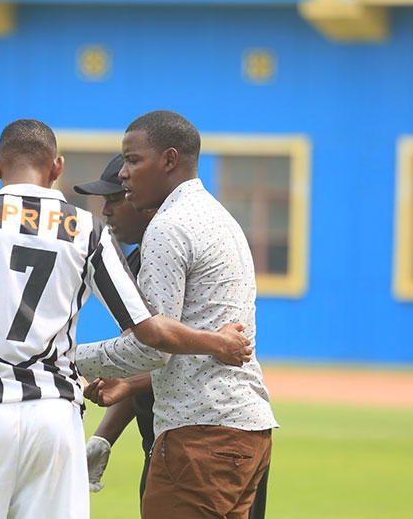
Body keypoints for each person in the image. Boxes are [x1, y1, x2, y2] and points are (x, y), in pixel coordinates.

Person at [0, 118, 254, 519]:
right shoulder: (89, 229)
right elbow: (150, 330)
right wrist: (218, 342)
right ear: (56, 167)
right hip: (56, 419)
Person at [76, 110, 278, 519]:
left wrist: (57, 355)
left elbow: (152, 347)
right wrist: (126, 390)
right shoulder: (218, 216)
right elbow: (186, 348)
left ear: (170, 160)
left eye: (133, 161)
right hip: (246, 431)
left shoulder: (168, 227)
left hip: (199, 438)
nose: (124, 175)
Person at [72, 154, 156, 499]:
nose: (105, 211)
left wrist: (58, 358)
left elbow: (191, 357)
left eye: (115, 199)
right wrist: (103, 439)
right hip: (163, 445)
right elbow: (143, 360)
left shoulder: (172, 250)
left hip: (201, 443)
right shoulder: (136, 258)